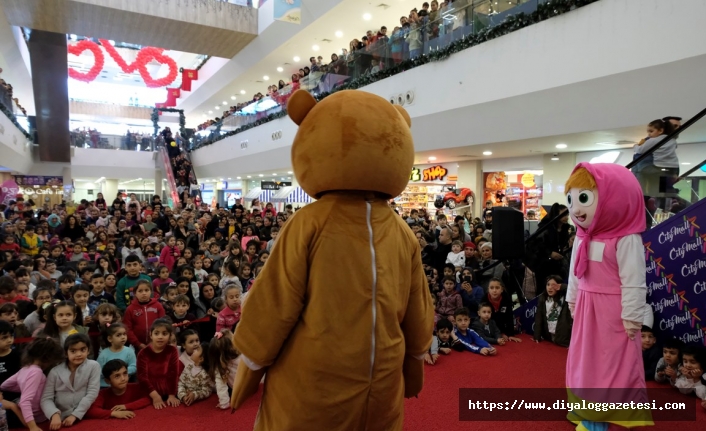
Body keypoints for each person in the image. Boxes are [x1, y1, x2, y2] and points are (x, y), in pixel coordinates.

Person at [229, 90, 433, 430]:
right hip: (377, 385)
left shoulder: (310, 222)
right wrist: (414, 359)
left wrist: (251, 364)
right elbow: (418, 309)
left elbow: (274, 302)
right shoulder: (400, 231)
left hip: (316, 389)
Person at [564, 163, 652, 428]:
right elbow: (575, 273)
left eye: (584, 198)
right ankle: (585, 410)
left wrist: (632, 316)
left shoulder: (626, 238)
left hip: (614, 312)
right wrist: (572, 298)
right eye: (572, 199)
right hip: (587, 307)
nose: (576, 209)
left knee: (613, 366)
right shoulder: (582, 235)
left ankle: (604, 416)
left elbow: (634, 280)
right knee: (585, 361)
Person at [0, 338, 64, 431]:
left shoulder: (25, 369)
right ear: (47, 358)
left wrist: (26, 388)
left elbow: (5, 385)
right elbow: (25, 402)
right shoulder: (36, 372)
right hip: (35, 416)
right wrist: (33, 427)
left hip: (26, 412)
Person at [41, 334, 101, 428]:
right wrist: (54, 414)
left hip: (85, 413)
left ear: (88, 350)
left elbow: (92, 393)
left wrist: (75, 415)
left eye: (83, 350)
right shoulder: (55, 371)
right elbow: (46, 398)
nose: (78, 354)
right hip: (60, 416)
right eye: (73, 351)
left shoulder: (94, 366)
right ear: (66, 353)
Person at [136, 319, 183, 409]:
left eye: (164, 334)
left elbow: (173, 374)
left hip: (168, 389)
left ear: (169, 336)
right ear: (151, 334)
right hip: (149, 390)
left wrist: (172, 395)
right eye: (156, 333)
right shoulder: (143, 353)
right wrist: (155, 396)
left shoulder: (172, 350)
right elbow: (142, 377)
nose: (160, 337)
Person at [86, 359, 152, 419]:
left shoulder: (136, 387)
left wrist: (126, 406)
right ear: (107, 381)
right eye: (117, 376)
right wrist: (114, 413)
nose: (123, 378)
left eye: (125, 373)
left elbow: (149, 398)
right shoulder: (102, 394)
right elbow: (92, 411)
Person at [123, 280, 165, 350]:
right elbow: (128, 329)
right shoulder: (130, 309)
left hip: (156, 343)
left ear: (151, 291)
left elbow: (163, 324)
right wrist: (138, 344)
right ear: (135, 293)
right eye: (140, 291)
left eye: (146, 290)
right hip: (136, 346)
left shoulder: (158, 306)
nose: (144, 293)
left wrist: (154, 341)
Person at [533, 276, 573, 347]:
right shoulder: (542, 298)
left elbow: (572, 290)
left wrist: (562, 286)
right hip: (548, 338)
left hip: (564, 340)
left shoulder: (566, 298)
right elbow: (539, 318)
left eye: (553, 285)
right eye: (548, 284)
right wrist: (537, 336)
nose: (550, 287)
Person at [97, 322, 137, 388]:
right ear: (110, 339)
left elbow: (134, 366)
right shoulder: (104, 354)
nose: (123, 337)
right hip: (106, 386)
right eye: (118, 335)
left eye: (124, 334)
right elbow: (98, 370)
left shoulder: (129, 351)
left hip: (123, 383)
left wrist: (121, 373)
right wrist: (111, 374)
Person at [209, 329, 239, 410]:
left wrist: (224, 403)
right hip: (249, 388)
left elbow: (221, 386)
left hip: (238, 390)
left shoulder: (219, 366)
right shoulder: (242, 356)